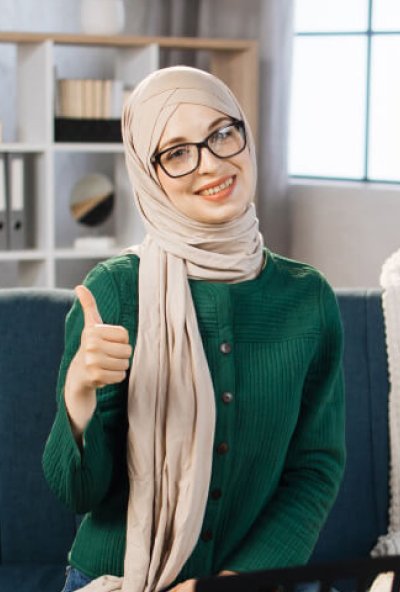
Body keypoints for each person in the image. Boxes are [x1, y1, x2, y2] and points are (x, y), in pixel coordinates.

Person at [42, 65, 346, 592]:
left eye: (222, 133)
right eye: (177, 152)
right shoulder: (116, 291)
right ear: (147, 173)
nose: (210, 164)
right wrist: (79, 395)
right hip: (117, 578)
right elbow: (77, 493)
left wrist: (234, 582)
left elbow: (315, 469)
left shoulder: (308, 299)